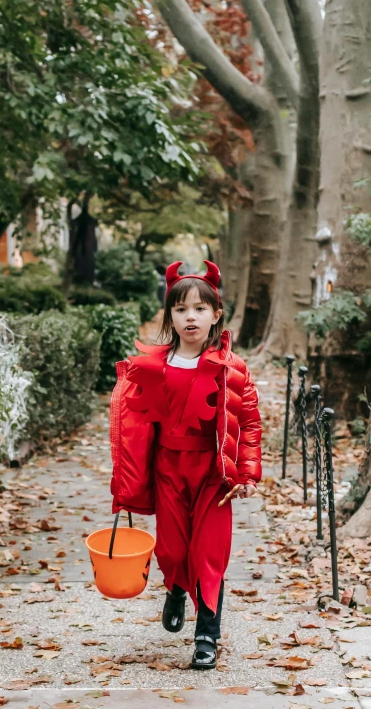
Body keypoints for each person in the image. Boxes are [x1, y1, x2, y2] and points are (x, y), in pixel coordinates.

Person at [109, 260, 262, 670]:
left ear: (216, 315)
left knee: (208, 553)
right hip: (167, 470)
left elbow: (248, 421)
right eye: (180, 309)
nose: (189, 316)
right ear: (169, 316)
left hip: (214, 474)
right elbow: (134, 425)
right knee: (174, 550)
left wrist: (246, 472)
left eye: (199, 308)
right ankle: (175, 588)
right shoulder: (153, 366)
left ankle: (207, 636)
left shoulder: (232, 369)